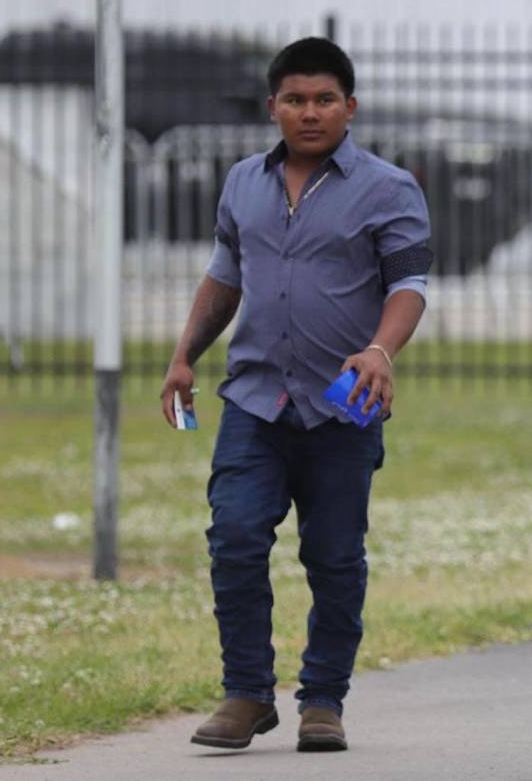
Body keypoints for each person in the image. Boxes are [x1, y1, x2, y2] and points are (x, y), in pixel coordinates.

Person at [160, 37, 432, 753]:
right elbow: (224, 275)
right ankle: (247, 693)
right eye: (295, 100)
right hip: (254, 400)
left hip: (345, 405)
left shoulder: (389, 188)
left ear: (350, 107)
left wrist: (380, 351)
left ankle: (323, 701)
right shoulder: (243, 183)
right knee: (235, 538)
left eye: (324, 100)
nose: (310, 113)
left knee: (334, 557)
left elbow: (409, 285)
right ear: (273, 106)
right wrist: (185, 355)